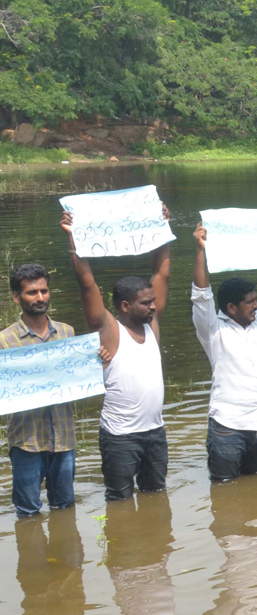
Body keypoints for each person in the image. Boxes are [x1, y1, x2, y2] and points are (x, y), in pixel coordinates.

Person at [62, 207, 172, 502]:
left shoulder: (152, 326)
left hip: (155, 432)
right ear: (124, 306)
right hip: (121, 436)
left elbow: (161, 272)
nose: (153, 307)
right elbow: (87, 284)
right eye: (145, 303)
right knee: (119, 501)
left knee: (156, 498)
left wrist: (162, 228)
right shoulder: (109, 329)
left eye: (153, 302)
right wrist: (74, 239)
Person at [192, 218, 257, 482]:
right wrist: (201, 249)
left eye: (256, 300)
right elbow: (202, 294)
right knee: (224, 493)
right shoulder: (212, 329)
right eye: (249, 302)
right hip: (228, 429)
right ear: (231, 308)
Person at [2, 264, 78, 515]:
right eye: (32, 292)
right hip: (27, 440)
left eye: (44, 291)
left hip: (64, 437)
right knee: (27, 512)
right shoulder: (4, 340)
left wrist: (98, 357)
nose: (40, 298)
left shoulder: (67, 332)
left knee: (65, 507)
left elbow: (78, 375)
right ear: (16, 297)